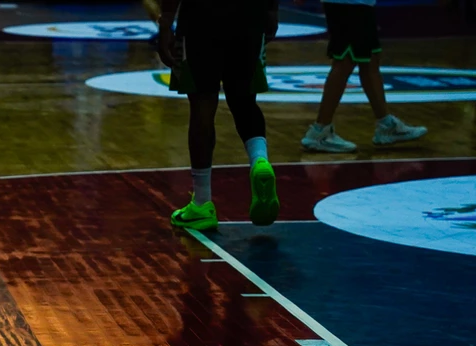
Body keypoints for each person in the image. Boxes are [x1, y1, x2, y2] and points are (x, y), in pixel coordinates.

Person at [158, 0, 280, 232]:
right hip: (249, 16)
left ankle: (202, 203)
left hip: (201, 19)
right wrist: (272, 10)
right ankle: (259, 161)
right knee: (245, 100)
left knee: (202, 106)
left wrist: (165, 22)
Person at [301, 0, 426, 153]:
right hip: (350, 4)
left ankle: (386, 125)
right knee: (345, 60)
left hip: (358, 4)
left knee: (371, 59)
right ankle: (319, 131)